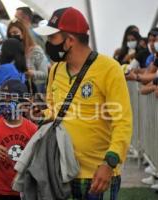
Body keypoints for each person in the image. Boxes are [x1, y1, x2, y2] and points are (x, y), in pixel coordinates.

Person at [34, 7, 132, 199]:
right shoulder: (55, 70)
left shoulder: (109, 69)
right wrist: (40, 115)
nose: (48, 43)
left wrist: (109, 163)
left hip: (97, 175)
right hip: (60, 171)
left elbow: (122, 122)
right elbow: (53, 112)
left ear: (69, 40)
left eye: (52, 38)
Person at [0, 79, 37, 200]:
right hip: (0, 189)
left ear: (23, 102)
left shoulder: (32, 129)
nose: (5, 103)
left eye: (10, 98)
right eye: (3, 98)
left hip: (24, 189)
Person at [7, 20, 49, 93]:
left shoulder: (36, 50)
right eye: (10, 34)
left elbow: (45, 74)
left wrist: (31, 73)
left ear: (23, 33)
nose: (13, 36)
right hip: (16, 92)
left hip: (34, 93)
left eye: (15, 33)